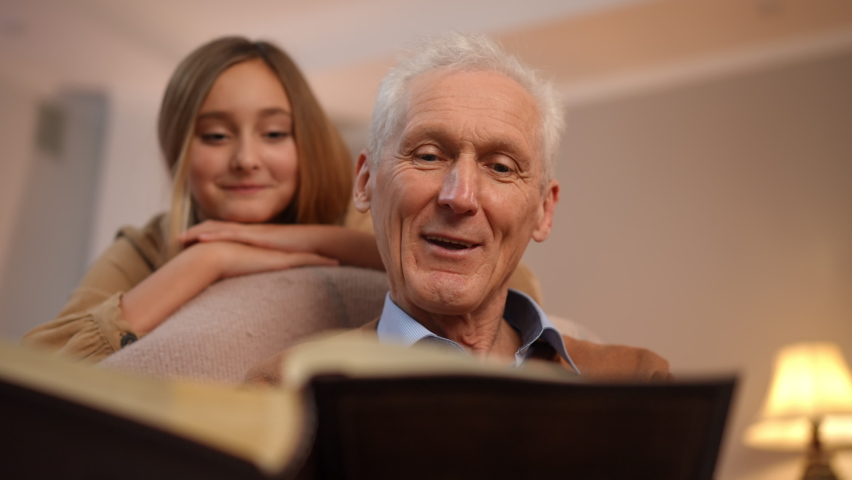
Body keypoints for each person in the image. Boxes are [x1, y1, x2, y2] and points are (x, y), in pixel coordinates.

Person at [248, 33, 671, 384]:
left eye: (501, 167)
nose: (460, 196)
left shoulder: (638, 380)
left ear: (544, 210)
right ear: (365, 182)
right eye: (429, 156)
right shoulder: (282, 394)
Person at [22, 37, 383, 361]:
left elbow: (407, 262)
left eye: (273, 133)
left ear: (308, 143)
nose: (245, 159)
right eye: (215, 136)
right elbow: (38, 369)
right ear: (178, 151)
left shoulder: (360, 214)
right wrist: (207, 259)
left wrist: (290, 239)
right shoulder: (146, 246)